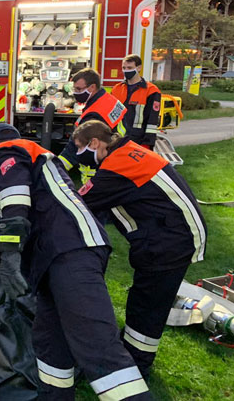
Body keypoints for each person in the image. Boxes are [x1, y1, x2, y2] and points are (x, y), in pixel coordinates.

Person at [0, 123, 150, 400]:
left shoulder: (6, 150)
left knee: (99, 349)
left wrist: (9, 254)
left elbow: (16, 200)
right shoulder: (38, 157)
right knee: (51, 342)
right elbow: (39, 204)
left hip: (68, 251)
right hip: (65, 251)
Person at [73, 120, 207, 379]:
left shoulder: (116, 167)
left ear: (94, 143)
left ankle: (137, 366)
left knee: (148, 305)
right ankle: (132, 353)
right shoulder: (126, 151)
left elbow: (81, 202)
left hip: (171, 240)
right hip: (171, 232)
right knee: (143, 298)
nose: (80, 156)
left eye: (80, 149)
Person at [58, 68, 126, 182]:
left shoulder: (94, 114)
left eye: (79, 89)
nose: (75, 92)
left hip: (95, 170)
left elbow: (76, 145)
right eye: (74, 89)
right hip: (115, 155)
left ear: (92, 87)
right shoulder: (108, 99)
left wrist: (57, 166)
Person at [111, 55, 162, 149]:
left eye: (129, 68)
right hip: (117, 139)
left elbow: (152, 121)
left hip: (139, 141)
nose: (126, 70)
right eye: (124, 68)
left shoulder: (151, 91)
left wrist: (147, 144)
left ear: (139, 68)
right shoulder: (117, 89)